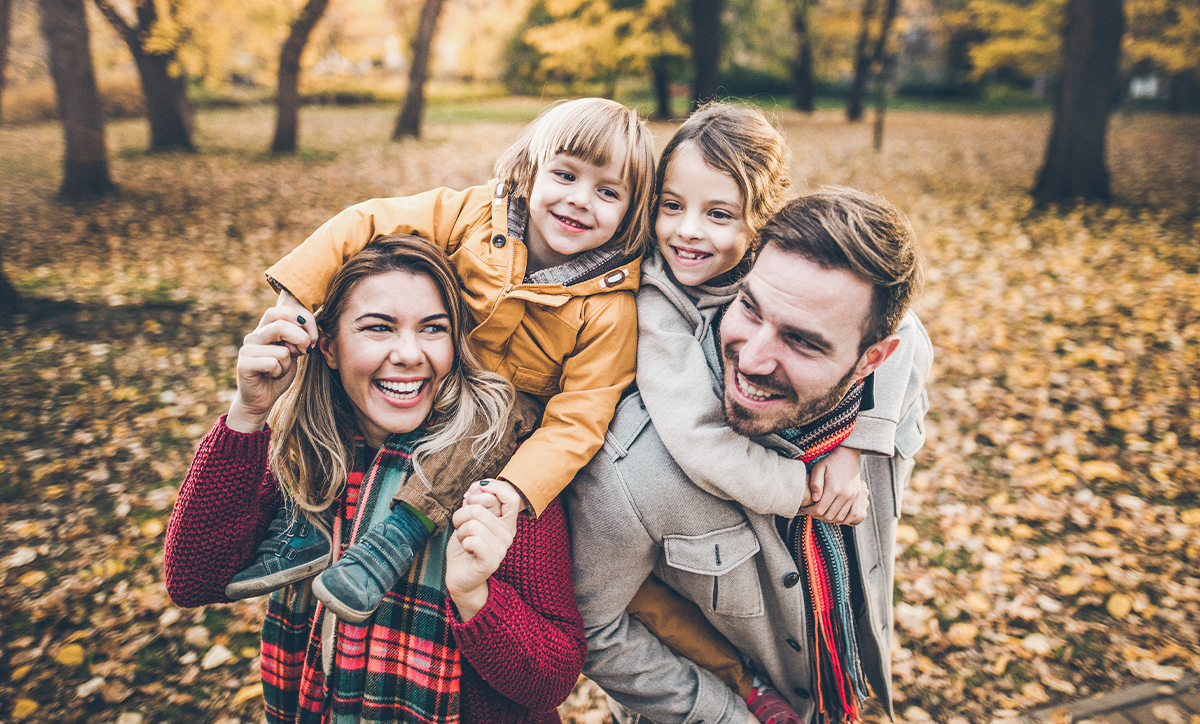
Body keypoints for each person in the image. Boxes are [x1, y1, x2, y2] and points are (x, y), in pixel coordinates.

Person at [224, 97, 657, 624]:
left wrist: (516, 491)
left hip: (504, 408)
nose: (580, 200)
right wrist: (296, 296)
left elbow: (580, 418)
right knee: (338, 357)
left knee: (490, 421)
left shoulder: (609, 308)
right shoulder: (477, 214)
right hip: (436, 365)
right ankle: (306, 521)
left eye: (607, 192)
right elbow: (369, 219)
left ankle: (395, 539)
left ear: (631, 211)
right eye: (565, 175)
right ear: (532, 168)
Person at [164, 235, 585, 724]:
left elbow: (553, 679)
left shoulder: (500, 467)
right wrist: (248, 415)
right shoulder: (307, 457)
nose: (408, 353)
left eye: (433, 329)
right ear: (329, 347)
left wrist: (475, 596)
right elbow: (193, 581)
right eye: (379, 328)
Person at [566, 189, 933, 724]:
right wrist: (724, 715)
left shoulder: (883, 412)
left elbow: (912, 336)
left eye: (802, 341)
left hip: (839, 694)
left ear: (871, 361)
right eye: (750, 307)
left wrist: (859, 443)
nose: (753, 358)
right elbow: (592, 628)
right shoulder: (634, 468)